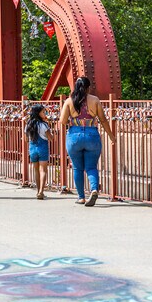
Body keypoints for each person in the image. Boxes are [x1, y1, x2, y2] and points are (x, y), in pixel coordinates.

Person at [59, 76, 116, 206]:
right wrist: (111, 136)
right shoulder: (95, 100)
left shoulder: (69, 101)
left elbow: (62, 121)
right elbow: (103, 120)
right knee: (91, 167)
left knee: (78, 168)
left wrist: (73, 120)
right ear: (88, 87)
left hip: (74, 136)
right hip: (92, 134)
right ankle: (94, 189)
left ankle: (81, 197)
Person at [25, 104, 53, 200]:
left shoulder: (28, 124)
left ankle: (37, 191)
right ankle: (41, 191)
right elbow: (51, 138)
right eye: (43, 112)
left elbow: (26, 139)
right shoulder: (44, 125)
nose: (45, 113)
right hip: (42, 148)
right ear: (38, 113)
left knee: (36, 170)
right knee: (43, 170)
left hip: (32, 149)